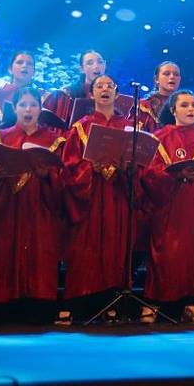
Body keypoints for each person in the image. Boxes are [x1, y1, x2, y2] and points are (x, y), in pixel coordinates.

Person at [0, 88, 66, 319]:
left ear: (40, 109)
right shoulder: (0, 137)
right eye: (23, 105)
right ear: (15, 108)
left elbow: (63, 181)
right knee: (3, 249)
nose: (28, 110)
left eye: (33, 105)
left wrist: (47, 175)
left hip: (40, 206)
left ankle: (37, 305)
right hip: (7, 206)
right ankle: (1, 306)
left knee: (40, 250)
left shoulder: (54, 140)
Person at [140, 90, 194, 322]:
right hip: (170, 203)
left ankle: (192, 302)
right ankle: (153, 302)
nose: (190, 109)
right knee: (165, 251)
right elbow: (149, 173)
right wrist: (174, 175)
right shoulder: (159, 137)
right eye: (184, 105)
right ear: (173, 110)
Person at [60, 75, 136, 319]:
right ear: (91, 94)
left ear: (116, 94)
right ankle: (84, 304)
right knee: (87, 247)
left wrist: (129, 167)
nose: (105, 89)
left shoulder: (129, 127)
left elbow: (141, 166)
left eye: (110, 86)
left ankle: (112, 302)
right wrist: (88, 169)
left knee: (115, 245)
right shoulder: (80, 128)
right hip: (90, 198)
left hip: (117, 196)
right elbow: (69, 166)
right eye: (99, 86)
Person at [44, 49, 105, 126]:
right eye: (90, 63)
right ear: (82, 69)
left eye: (100, 62)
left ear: (105, 65)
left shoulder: (111, 96)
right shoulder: (65, 95)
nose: (96, 66)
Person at [0, 51, 35, 125]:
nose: (24, 66)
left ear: (34, 72)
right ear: (10, 69)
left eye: (29, 64)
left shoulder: (44, 98)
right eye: (20, 62)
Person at [135, 61, 182, 133]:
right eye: (167, 74)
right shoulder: (142, 107)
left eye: (176, 74)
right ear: (156, 80)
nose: (172, 77)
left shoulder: (190, 106)